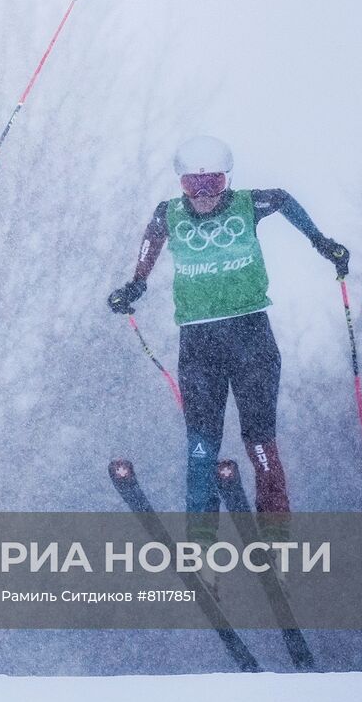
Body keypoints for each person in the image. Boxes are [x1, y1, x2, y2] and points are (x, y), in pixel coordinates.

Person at [106, 136, 349, 542]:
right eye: (192, 184)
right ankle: (201, 535)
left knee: (260, 440)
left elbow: (284, 199)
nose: (203, 194)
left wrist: (322, 243)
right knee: (201, 446)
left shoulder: (248, 204)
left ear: (227, 180)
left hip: (250, 334)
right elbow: (151, 241)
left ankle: (275, 531)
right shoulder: (169, 213)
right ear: (181, 183)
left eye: (213, 183)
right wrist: (135, 285)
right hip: (199, 342)